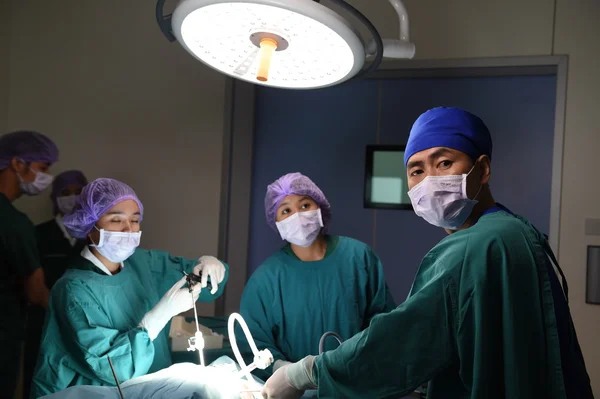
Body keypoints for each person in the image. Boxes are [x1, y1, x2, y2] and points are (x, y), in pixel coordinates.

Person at [261, 108, 594, 399]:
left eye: (445, 162)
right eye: (416, 170)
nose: (429, 179)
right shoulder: (516, 231)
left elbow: (399, 340)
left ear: (483, 168)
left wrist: (304, 373)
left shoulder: (473, 247)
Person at [31, 178, 230, 397]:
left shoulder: (143, 263)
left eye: (135, 221)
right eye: (116, 220)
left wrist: (209, 266)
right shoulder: (73, 290)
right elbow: (114, 368)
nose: (128, 229)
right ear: (90, 226)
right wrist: (155, 319)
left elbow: (204, 282)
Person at [240, 172, 395, 380]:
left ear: (320, 207)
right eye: (286, 210)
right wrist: (291, 374)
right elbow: (254, 346)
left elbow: (384, 321)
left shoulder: (358, 257)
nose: (297, 215)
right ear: (276, 222)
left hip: (357, 384)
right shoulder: (265, 280)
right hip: (297, 392)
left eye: (305, 206)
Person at [0, 130, 59, 398]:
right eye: (42, 168)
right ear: (16, 163)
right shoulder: (14, 223)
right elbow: (36, 293)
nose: (45, 177)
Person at [23, 170, 89, 399]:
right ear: (54, 198)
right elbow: (29, 281)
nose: (72, 197)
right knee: (42, 379)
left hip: (85, 323)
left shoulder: (95, 235)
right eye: (65, 192)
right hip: (43, 320)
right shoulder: (37, 234)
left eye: (78, 192)